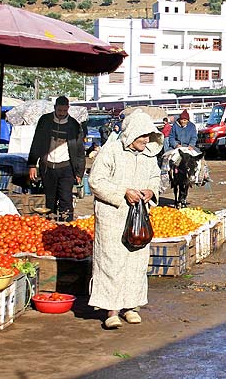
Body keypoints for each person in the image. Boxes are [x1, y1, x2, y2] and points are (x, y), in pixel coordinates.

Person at [88, 109, 163, 329]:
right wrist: (123, 192)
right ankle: (111, 310)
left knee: (136, 263)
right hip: (113, 217)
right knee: (112, 262)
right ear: (131, 134)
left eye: (149, 136)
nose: (146, 140)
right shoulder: (110, 151)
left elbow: (155, 178)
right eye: (142, 136)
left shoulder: (149, 156)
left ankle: (132, 306)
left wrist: (151, 191)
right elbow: (96, 181)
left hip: (138, 218)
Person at [28, 96, 85, 221]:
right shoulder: (45, 120)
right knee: (50, 199)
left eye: (64, 111)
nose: (62, 114)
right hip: (47, 167)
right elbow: (36, 143)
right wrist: (32, 165)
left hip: (66, 168)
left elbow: (80, 151)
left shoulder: (74, 125)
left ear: (68, 109)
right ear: (55, 108)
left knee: (66, 199)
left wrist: (79, 172)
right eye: (59, 111)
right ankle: (50, 226)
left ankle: (68, 227)